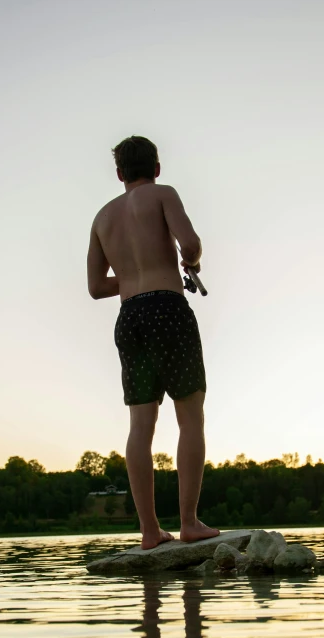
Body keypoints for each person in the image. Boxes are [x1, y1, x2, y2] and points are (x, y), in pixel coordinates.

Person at [86, 135, 219, 550]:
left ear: (120, 173)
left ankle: (148, 532)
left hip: (130, 318)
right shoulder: (163, 194)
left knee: (140, 427)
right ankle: (189, 522)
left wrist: (129, 277)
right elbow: (191, 243)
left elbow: (94, 287)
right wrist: (191, 262)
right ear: (156, 168)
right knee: (190, 415)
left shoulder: (102, 218)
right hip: (167, 309)